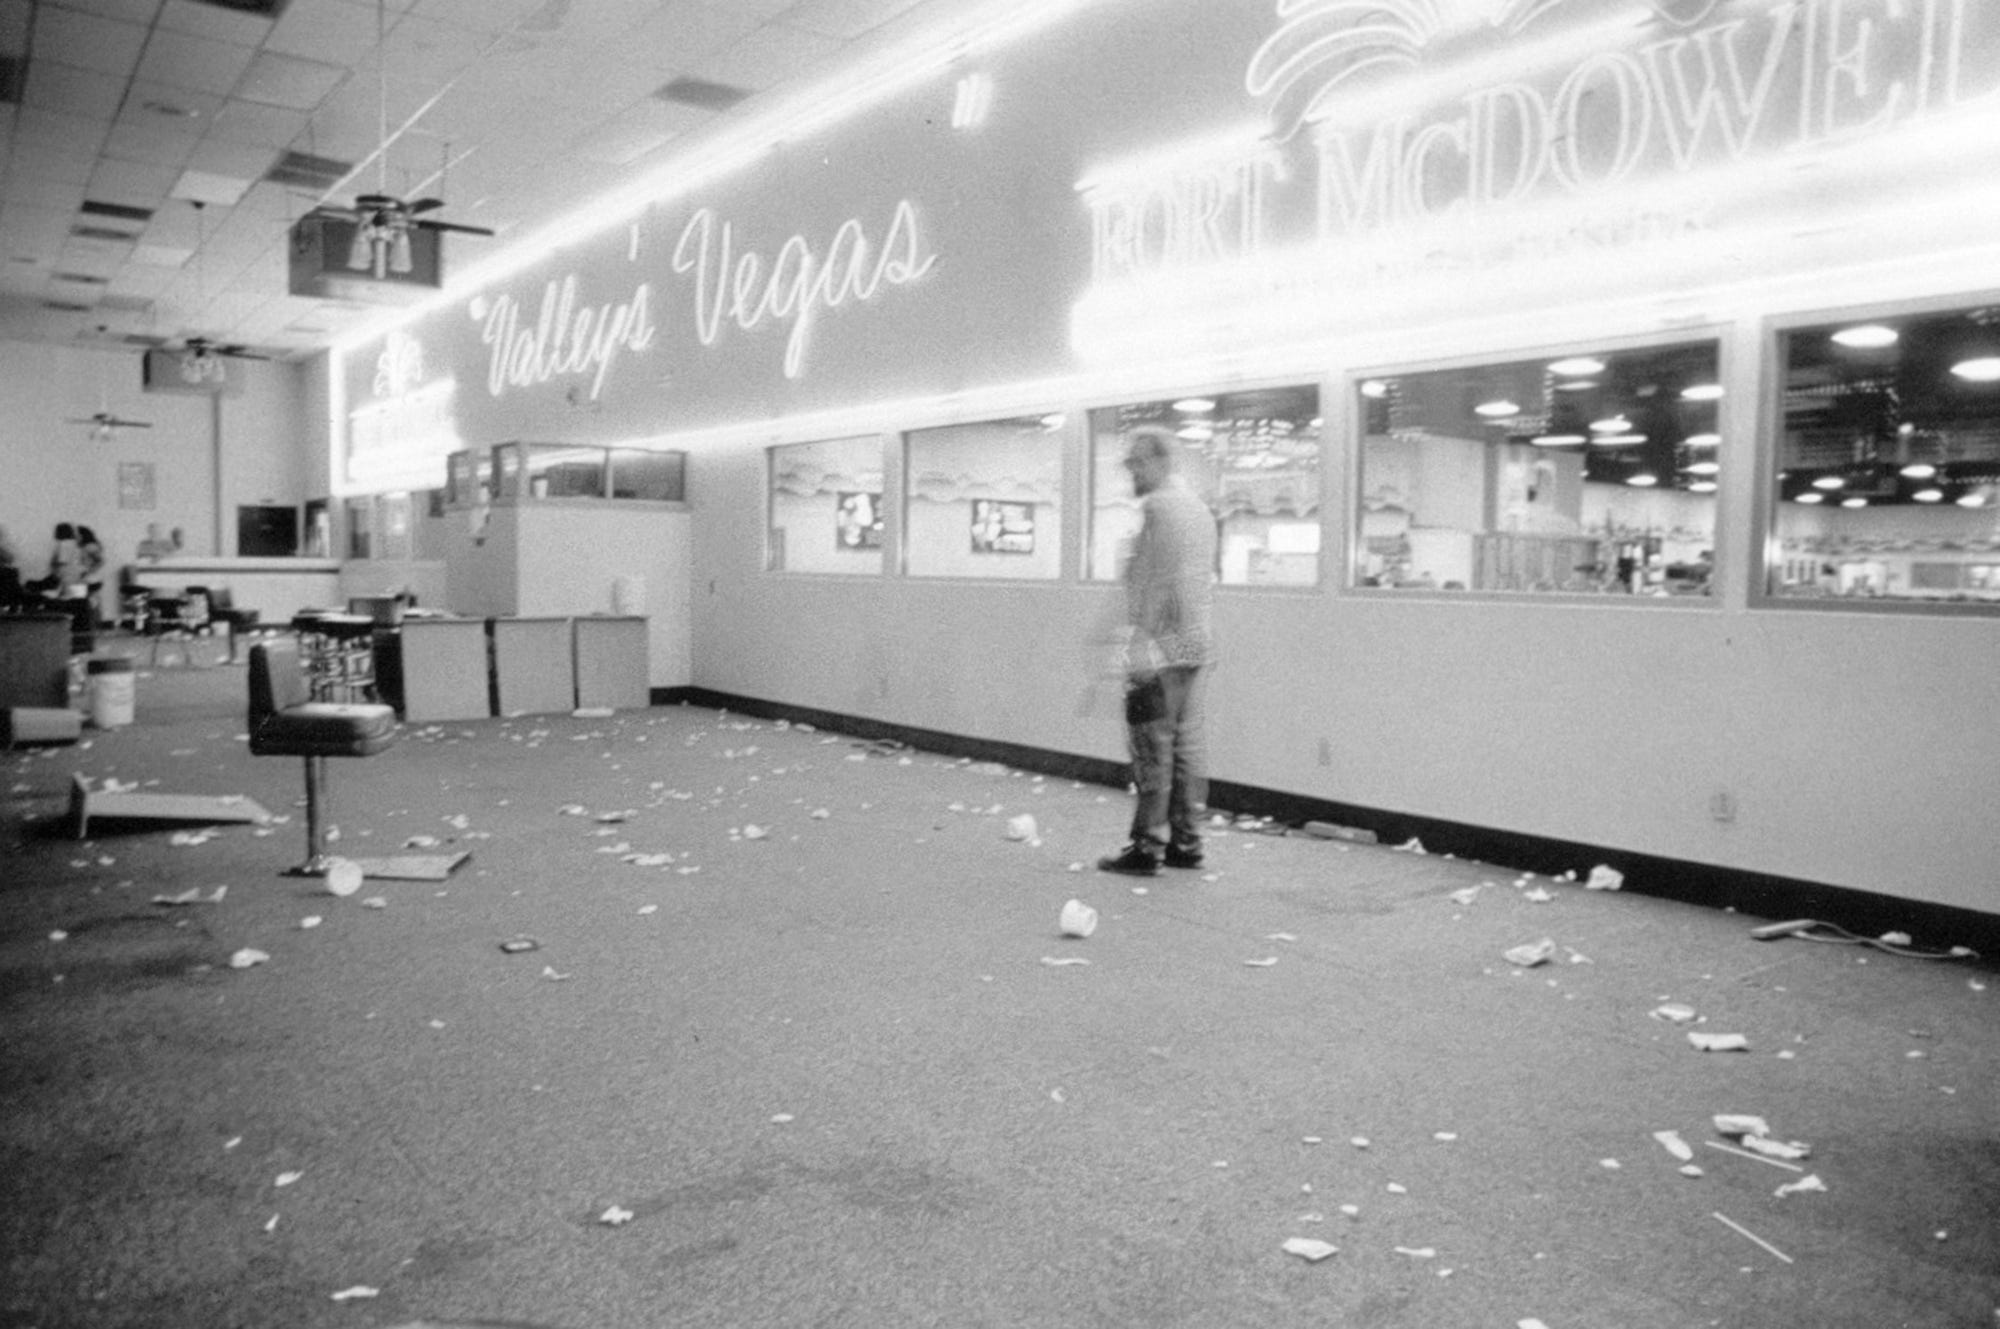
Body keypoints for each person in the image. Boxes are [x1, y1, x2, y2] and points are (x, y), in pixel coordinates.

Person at [1097, 427, 1217, 876]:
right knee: (1183, 745)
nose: (1131, 470)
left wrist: (1138, 643)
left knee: (1151, 747)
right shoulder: (1199, 509)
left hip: (1162, 647)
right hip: (1194, 643)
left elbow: (1154, 580)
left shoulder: (1160, 508)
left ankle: (1147, 846)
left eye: (1138, 462)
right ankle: (1187, 842)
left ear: (1163, 462)